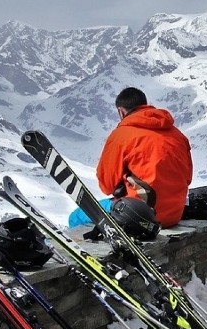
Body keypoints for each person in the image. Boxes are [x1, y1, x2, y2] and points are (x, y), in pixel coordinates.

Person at [81, 87, 193, 229]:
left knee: (76, 217)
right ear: (145, 105)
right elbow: (188, 177)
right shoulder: (178, 135)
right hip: (174, 215)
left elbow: (106, 185)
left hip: (139, 216)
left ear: (121, 112)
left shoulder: (121, 136)